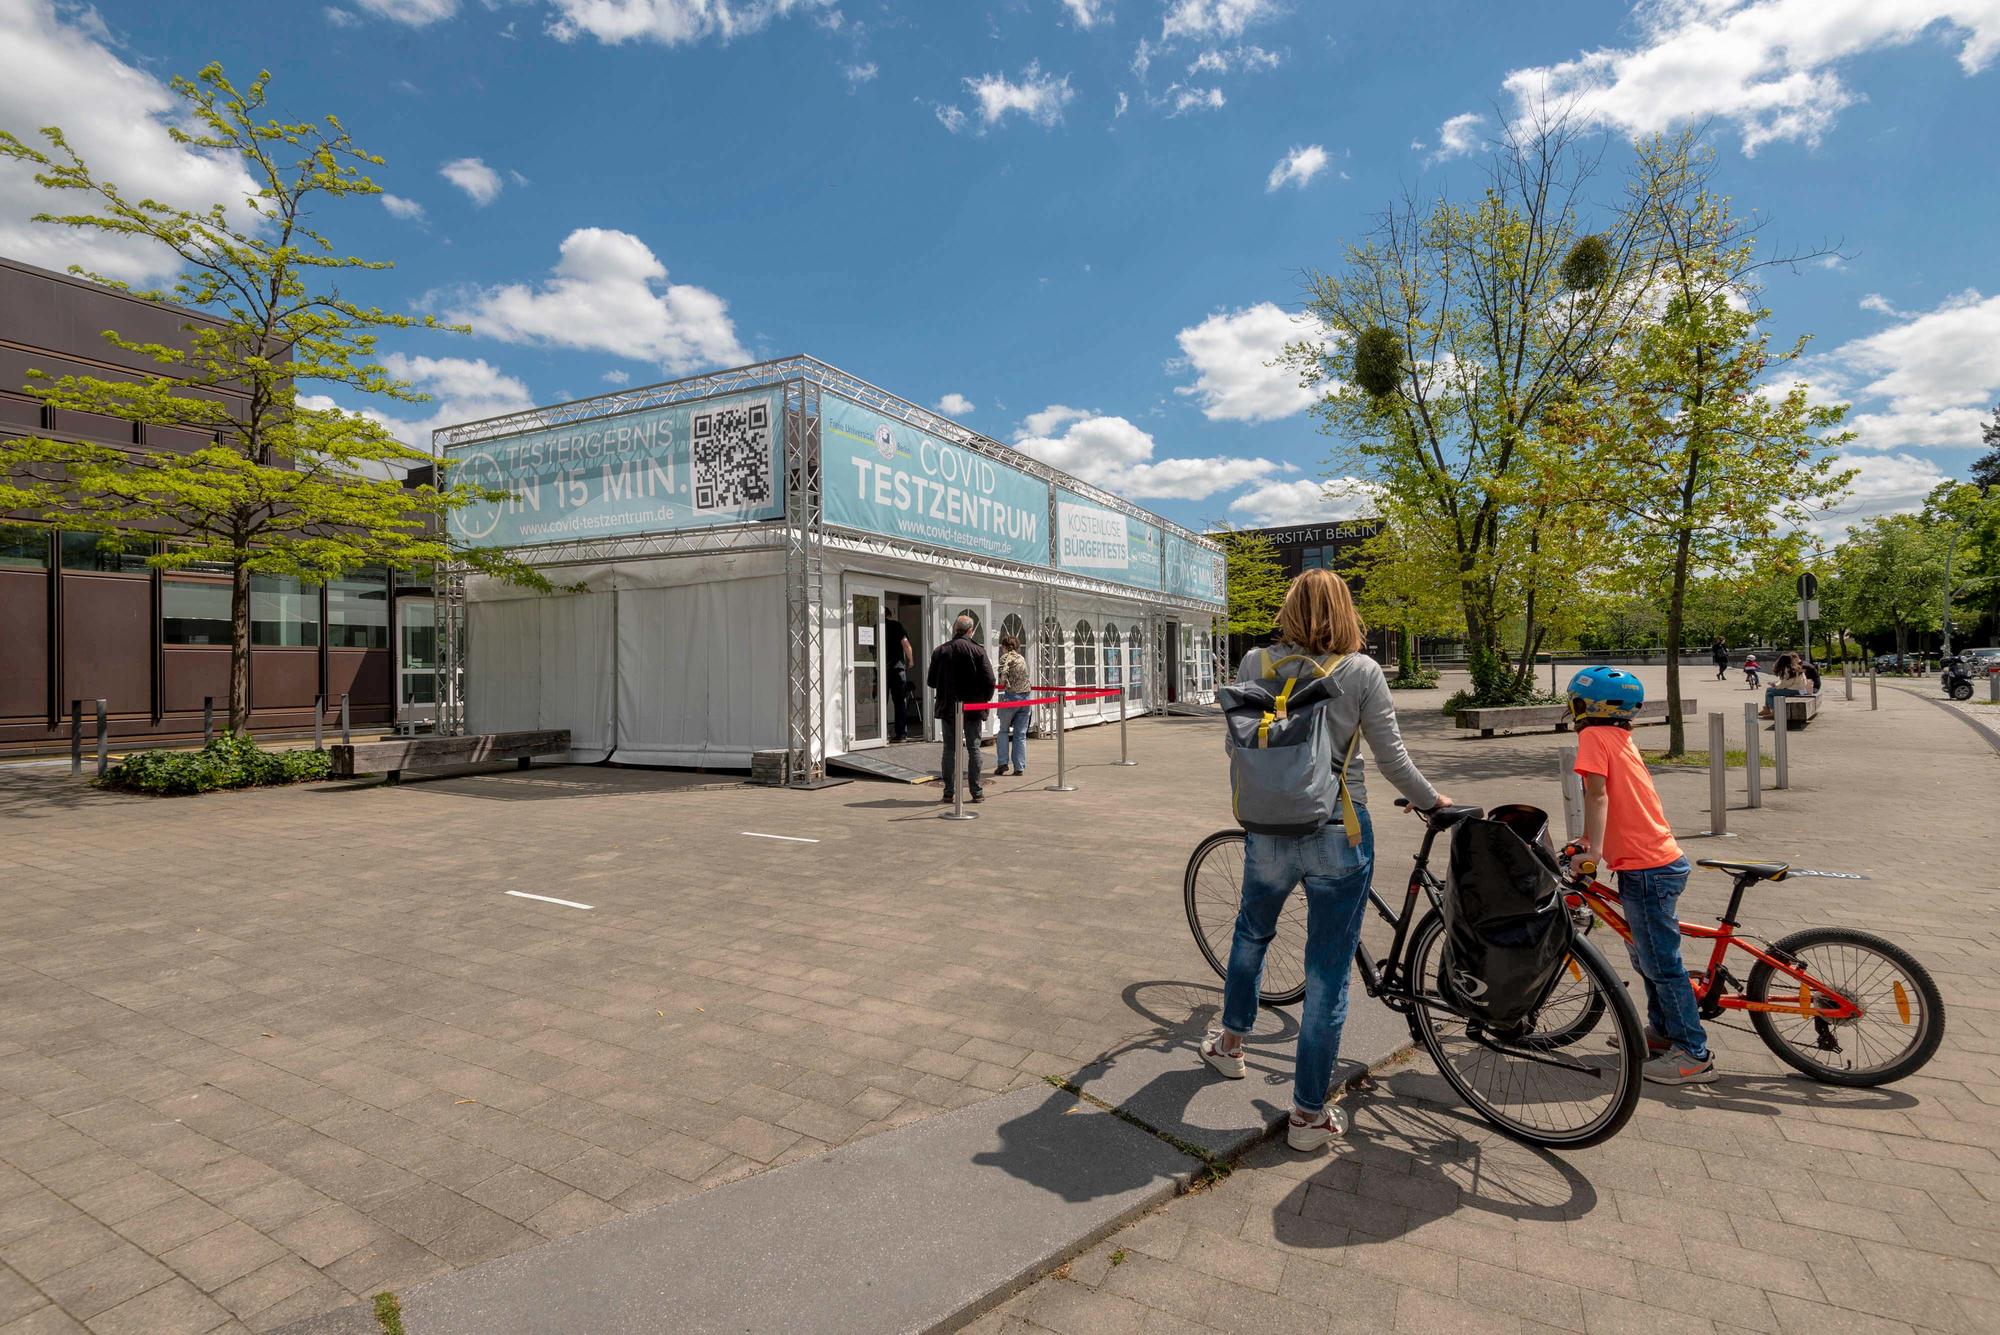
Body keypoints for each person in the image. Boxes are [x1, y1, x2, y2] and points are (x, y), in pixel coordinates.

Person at [1198, 569, 1451, 1151]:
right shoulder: (1360, 671)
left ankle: (1230, 1045)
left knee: (1252, 933)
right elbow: (1391, 756)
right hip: (1341, 831)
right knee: (1327, 972)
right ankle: (1308, 1114)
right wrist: (1433, 802)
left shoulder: (1254, 664)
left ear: (1288, 608)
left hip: (1266, 829)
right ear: (1346, 611)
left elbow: (1234, 746)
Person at [1568, 666, 1715, 1085]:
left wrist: (1594, 852)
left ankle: (1694, 1054)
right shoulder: (1619, 736)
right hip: (1653, 863)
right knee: (1646, 957)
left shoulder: (1592, 736)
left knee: (1662, 964)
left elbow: (1597, 793)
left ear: (1583, 705)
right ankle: (1664, 1034)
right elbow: (1615, 799)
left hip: (1647, 870)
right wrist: (1585, 839)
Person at [927, 615, 995, 803]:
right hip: (973, 707)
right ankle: (976, 791)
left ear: (955, 629)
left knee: (949, 749)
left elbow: (931, 681)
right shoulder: (977, 650)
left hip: (948, 706)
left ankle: (949, 791)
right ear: (970, 630)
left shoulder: (940, 651)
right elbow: (990, 680)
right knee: (974, 748)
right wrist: (984, 700)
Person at [993, 633, 1031, 777]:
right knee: (1020, 734)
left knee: (1003, 731)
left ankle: (1003, 763)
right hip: (1026, 698)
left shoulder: (1006, 657)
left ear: (1004, 647)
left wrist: (1003, 683)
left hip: (1011, 697)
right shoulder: (1022, 658)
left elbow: (1003, 679)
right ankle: (1019, 766)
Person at [885, 618, 917, 742]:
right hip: (897, 668)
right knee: (899, 701)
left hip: (881, 669)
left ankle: (881, 734)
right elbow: (905, 643)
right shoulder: (896, 625)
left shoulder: (876, 626)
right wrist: (911, 660)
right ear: (890, 614)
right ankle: (901, 734)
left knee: (881, 702)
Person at [1760, 653, 1807, 719]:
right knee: (1770, 690)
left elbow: (1786, 683)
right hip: (1800, 689)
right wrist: (1776, 684)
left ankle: (1774, 712)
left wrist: (1776, 686)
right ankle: (1767, 709)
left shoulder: (1788, 669)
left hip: (1795, 690)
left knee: (1769, 693)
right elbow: (1786, 681)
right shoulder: (1795, 667)